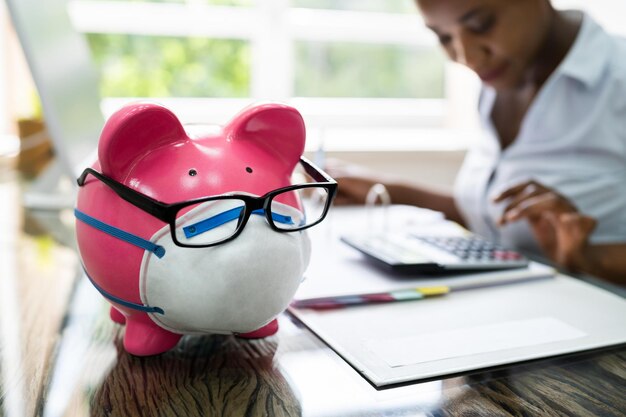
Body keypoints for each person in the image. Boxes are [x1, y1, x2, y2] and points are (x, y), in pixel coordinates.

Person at [332, 0, 626, 284]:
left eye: (481, 24)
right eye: (444, 37)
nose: (468, 58)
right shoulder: (499, 82)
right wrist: (388, 190)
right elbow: (497, 218)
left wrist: (591, 257)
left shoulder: (617, 77)